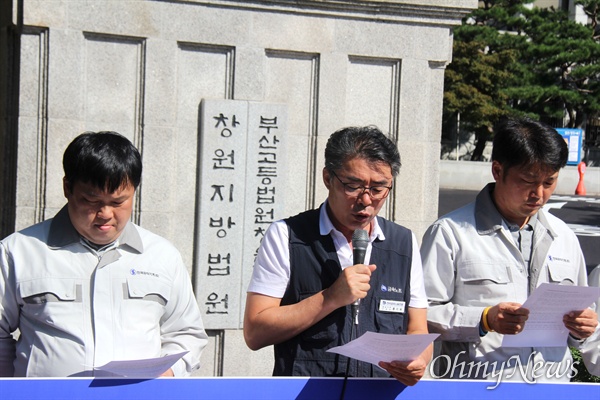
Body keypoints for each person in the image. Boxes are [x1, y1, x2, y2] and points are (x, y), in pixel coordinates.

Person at [0, 131, 208, 377]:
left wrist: (166, 375)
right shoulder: (19, 251)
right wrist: (14, 388)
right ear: (68, 188)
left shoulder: (162, 256)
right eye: (91, 200)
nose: (106, 213)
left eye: (119, 202)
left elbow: (186, 334)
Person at [243, 125, 432, 385]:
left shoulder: (403, 243)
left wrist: (418, 361)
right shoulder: (287, 236)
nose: (366, 200)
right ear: (327, 178)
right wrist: (330, 298)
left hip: (378, 392)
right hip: (306, 391)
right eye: (353, 186)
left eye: (378, 189)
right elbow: (255, 332)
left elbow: (417, 328)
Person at [421, 117, 598, 382]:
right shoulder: (451, 233)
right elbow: (420, 314)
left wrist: (582, 329)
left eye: (549, 182)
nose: (538, 193)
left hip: (552, 388)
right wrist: (484, 319)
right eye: (527, 181)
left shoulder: (563, 236)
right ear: (497, 170)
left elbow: (585, 324)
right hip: (479, 388)